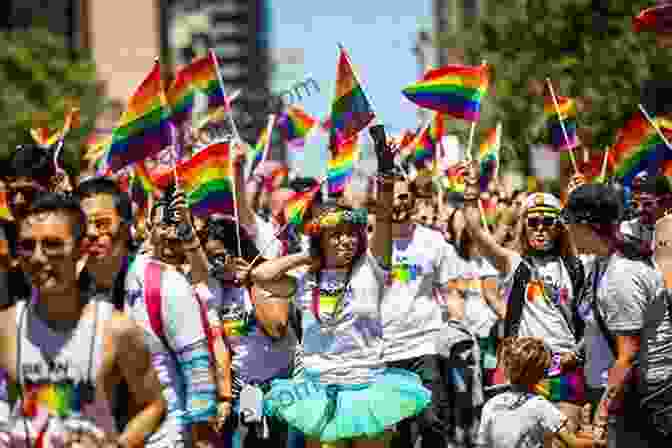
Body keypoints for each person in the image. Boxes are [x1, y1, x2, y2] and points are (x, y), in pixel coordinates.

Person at [0, 192, 165, 447]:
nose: (37, 258)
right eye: (27, 246)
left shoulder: (116, 329)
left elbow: (153, 405)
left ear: (81, 251)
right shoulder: (4, 328)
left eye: (52, 245)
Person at [463, 161, 586, 427]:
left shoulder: (577, 265)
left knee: (565, 442)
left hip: (566, 366)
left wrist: (579, 201)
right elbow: (476, 231)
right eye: (533, 222)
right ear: (525, 225)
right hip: (524, 368)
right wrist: (471, 192)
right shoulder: (514, 263)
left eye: (548, 221)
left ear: (559, 227)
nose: (540, 228)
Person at [563, 183, 662, 447]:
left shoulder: (621, 276)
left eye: (569, 222)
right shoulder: (602, 262)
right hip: (618, 395)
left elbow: (627, 356)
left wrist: (602, 415)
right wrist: (577, 353)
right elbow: (602, 322)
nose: (567, 230)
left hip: (634, 402)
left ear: (587, 225)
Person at [124, 188, 218, 446]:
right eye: (162, 225)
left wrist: (186, 225)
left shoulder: (188, 274)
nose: (169, 234)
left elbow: (202, 273)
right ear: (149, 229)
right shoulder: (136, 271)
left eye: (175, 227)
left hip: (198, 395)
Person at [199, 215, 297, 447]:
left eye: (220, 257)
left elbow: (276, 328)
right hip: (244, 391)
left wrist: (251, 281)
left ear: (238, 251)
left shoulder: (266, 274)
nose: (216, 266)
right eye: (210, 259)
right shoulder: (219, 288)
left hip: (280, 390)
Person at [476, 337, 598, 448]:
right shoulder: (541, 406)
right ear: (542, 374)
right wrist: (598, 442)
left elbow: (482, 444)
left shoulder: (491, 404)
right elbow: (572, 443)